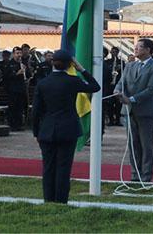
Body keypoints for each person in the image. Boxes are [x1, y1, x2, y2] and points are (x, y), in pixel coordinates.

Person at [31, 50, 100, 204]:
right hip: (68, 129)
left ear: (52, 63)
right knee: (63, 167)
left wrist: (36, 131)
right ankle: (61, 200)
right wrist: (81, 69)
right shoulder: (73, 81)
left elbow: (36, 111)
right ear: (70, 64)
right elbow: (95, 87)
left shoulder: (43, 83)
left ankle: (48, 199)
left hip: (47, 130)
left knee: (48, 167)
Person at [115, 38, 153, 183]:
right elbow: (121, 82)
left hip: (145, 112)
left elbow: (152, 88)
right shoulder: (130, 66)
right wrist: (117, 91)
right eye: (135, 47)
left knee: (146, 145)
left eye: (139, 47)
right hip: (128, 111)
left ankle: (146, 176)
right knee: (132, 144)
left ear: (148, 50)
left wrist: (132, 99)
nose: (135, 49)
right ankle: (135, 174)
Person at [1, 47, 28, 131]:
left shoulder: (23, 63)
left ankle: (19, 124)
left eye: (20, 53)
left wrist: (27, 72)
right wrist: (17, 74)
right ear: (13, 54)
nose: (19, 55)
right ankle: (12, 125)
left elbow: (29, 75)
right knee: (12, 107)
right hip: (12, 89)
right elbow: (6, 76)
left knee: (20, 107)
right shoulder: (9, 64)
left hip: (21, 88)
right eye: (17, 53)